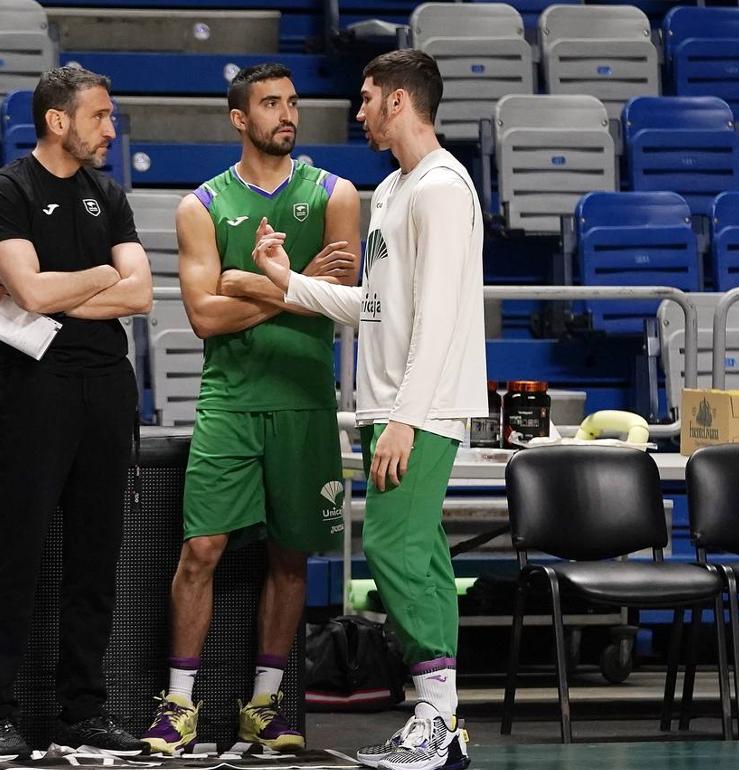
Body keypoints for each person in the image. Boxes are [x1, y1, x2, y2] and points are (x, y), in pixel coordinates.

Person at [251, 49, 485, 770]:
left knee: (392, 550)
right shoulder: (391, 190)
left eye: (367, 97)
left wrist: (408, 418)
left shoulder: (442, 187)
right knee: (423, 556)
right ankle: (443, 725)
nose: (358, 110)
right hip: (393, 406)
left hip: (424, 408)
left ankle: (437, 719)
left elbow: (443, 317)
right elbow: (377, 308)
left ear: (399, 102)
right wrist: (289, 284)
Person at [139, 63, 360, 754]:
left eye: (292, 102)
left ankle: (265, 706)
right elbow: (204, 317)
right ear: (240, 118)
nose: (286, 114)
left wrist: (251, 279)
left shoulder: (339, 194)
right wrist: (291, 284)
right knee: (201, 549)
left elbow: (348, 298)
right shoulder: (199, 206)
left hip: (304, 400)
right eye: (270, 103)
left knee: (290, 559)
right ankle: (178, 704)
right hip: (229, 401)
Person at [0, 65, 153, 758]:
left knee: (94, 560)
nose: (111, 128)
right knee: (15, 556)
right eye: (100, 116)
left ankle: (84, 711)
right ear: (58, 120)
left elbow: (140, 298)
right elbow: (30, 292)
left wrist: (59, 287)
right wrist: (103, 274)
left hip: (107, 389)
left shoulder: (107, 193)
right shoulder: (8, 190)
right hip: (36, 391)